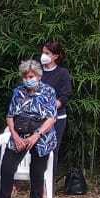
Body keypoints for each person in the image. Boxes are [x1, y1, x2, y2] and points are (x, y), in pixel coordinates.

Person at [0, 59, 59, 198]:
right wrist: (14, 135)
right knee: (6, 168)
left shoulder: (49, 91)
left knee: (37, 172)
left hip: (41, 135)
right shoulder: (18, 92)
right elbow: (10, 116)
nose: (27, 79)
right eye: (25, 77)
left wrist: (36, 135)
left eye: (31, 76)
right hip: (20, 133)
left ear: (38, 76)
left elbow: (52, 118)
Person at [39, 41, 72, 178]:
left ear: (56, 56)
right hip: (37, 117)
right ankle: (35, 180)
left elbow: (65, 96)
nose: (43, 56)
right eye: (43, 52)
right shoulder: (37, 71)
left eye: (47, 53)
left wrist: (51, 107)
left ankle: (49, 183)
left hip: (57, 118)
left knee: (52, 150)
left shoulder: (62, 73)